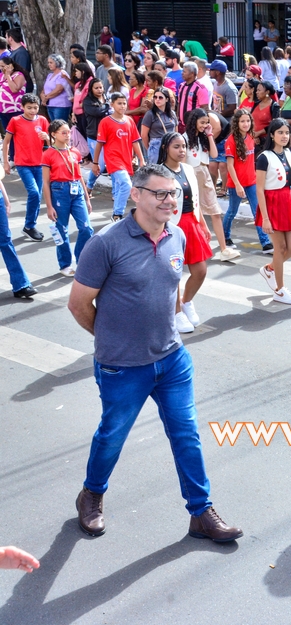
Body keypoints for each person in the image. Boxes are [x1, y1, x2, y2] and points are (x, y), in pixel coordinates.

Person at [68, 164, 243, 542]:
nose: (169, 200)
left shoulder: (176, 235)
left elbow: (171, 290)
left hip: (172, 359)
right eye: (160, 193)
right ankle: (91, 495)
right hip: (122, 366)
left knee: (186, 435)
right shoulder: (106, 243)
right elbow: (79, 304)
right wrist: (112, 337)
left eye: (173, 193)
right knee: (112, 435)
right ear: (136, 194)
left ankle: (200, 512)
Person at [155, 132, 214, 332]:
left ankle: (186, 301)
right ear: (166, 148)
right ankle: (176, 312)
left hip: (191, 223)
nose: (181, 151)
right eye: (176, 147)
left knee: (200, 270)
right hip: (170, 226)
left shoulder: (188, 169)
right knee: (174, 273)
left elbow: (195, 200)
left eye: (183, 147)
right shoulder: (159, 173)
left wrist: (203, 224)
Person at [255, 118, 291, 303]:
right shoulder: (264, 157)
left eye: (286, 133)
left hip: (288, 201)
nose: (284, 136)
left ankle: (269, 269)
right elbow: (260, 189)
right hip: (272, 203)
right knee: (280, 247)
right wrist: (265, 218)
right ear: (272, 135)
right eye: (280, 132)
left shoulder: (288, 153)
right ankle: (280, 290)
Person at [41, 119, 93, 276]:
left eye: (69, 132)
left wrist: (87, 198)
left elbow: (79, 176)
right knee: (61, 229)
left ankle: (81, 259)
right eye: (63, 132)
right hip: (59, 191)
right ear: (53, 134)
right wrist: (49, 206)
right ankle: (65, 264)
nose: (68, 135)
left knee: (86, 228)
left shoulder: (74, 151)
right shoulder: (48, 154)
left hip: (76, 191)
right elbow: (45, 182)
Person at [182, 108, 235, 260]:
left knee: (215, 211)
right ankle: (197, 247)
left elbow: (214, 154)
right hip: (191, 175)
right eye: (202, 122)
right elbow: (183, 163)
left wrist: (210, 134)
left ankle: (224, 249)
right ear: (194, 121)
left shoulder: (204, 137)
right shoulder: (184, 138)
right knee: (194, 213)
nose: (204, 125)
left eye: (207, 122)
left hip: (204, 175)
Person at [92, 91, 145, 220]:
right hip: (113, 160)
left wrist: (141, 159)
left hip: (126, 159)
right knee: (126, 185)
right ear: (112, 104)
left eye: (124, 103)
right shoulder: (105, 122)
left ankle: (115, 217)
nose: (122, 106)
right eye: (119, 103)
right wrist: (95, 163)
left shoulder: (129, 120)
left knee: (118, 188)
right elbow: (99, 143)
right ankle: (117, 214)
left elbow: (135, 141)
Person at [223, 108, 271, 252]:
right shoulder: (231, 141)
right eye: (242, 121)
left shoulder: (250, 137)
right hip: (236, 184)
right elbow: (230, 166)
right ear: (236, 123)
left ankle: (265, 242)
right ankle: (225, 237)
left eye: (248, 121)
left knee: (257, 212)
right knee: (232, 211)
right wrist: (238, 185)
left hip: (251, 182)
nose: (245, 124)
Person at [2, 93, 48, 241]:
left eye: (35, 107)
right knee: (34, 193)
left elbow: (52, 142)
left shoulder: (42, 120)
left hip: (40, 164)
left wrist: (47, 138)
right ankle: (29, 226)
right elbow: (6, 142)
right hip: (23, 164)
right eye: (29, 108)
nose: (33, 110)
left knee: (37, 195)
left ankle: (30, 226)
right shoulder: (15, 121)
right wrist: (6, 162)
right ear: (22, 107)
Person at [140, 87, 177, 164]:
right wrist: (150, 148)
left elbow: (176, 131)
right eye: (155, 97)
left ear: (167, 99)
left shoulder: (172, 113)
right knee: (157, 169)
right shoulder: (150, 114)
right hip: (156, 147)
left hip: (171, 144)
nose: (157, 99)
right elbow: (143, 135)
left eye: (160, 97)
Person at [41, 54, 73, 122]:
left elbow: (58, 90)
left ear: (57, 63)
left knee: (59, 125)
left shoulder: (62, 74)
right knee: (54, 125)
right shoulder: (50, 75)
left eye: (51, 62)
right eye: (48, 62)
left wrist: (45, 98)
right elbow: (45, 89)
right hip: (50, 105)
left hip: (61, 105)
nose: (49, 64)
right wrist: (42, 96)